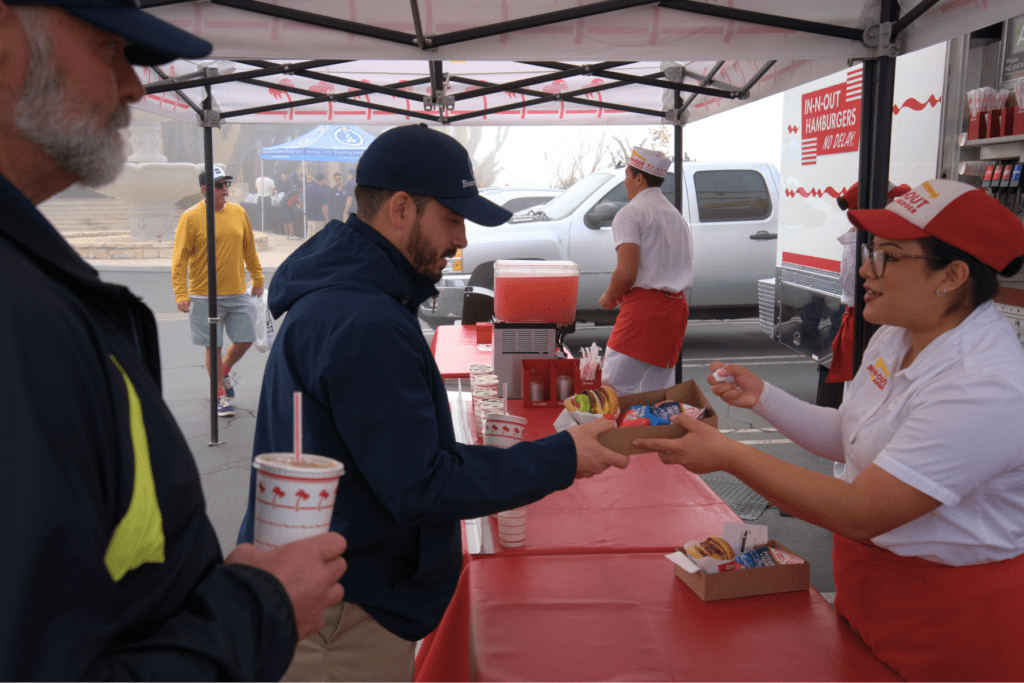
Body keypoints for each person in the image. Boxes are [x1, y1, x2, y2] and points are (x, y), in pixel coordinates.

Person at [0, 2, 347, 679]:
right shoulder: (19, 313)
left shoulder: (33, 286)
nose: (136, 86)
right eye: (110, 51)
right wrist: (262, 606)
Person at [237, 124, 630, 682]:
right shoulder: (364, 320)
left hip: (327, 583)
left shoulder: (354, 298)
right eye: (452, 218)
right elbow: (420, 484)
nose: (462, 239)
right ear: (401, 208)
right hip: (340, 615)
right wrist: (562, 456)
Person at [634, 179, 1024, 681]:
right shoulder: (896, 334)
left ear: (951, 275)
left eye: (887, 256)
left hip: (952, 619)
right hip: (870, 589)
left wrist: (729, 455)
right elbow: (850, 434)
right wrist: (765, 399)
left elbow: (866, 510)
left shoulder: (986, 383)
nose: (865, 268)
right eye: (870, 251)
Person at [172, 166, 264, 417]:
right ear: (204, 190)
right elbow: (180, 259)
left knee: (245, 339)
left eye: (226, 184)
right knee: (213, 346)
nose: (225, 189)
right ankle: (220, 396)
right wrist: (181, 293)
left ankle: (222, 372)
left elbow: (249, 248)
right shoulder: (191, 217)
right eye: (219, 185)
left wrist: (257, 277)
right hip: (204, 296)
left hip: (237, 293)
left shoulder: (238, 212)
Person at [599, 146, 692, 393]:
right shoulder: (676, 217)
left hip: (644, 313)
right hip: (674, 312)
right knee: (657, 398)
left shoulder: (630, 214)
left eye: (627, 176)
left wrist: (609, 296)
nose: (625, 182)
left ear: (639, 178)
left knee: (612, 393)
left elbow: (627, 272)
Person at [305, 171, 329, 236]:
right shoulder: (321, 191)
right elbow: (324, 207)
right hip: (318, 219)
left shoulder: (307, 188)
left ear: (315, 179)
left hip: (309, 218)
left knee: (309, 238)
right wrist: (326, 219)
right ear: (323, 180)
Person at [282, 172, 302, 239]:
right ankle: (291, 235)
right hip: (287, 203)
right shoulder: (293, 185)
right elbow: (296, 197)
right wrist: (301, 205)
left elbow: (297, 196)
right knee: (288, 219)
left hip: (285, 202)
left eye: (292, 179)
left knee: (287, 219)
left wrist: (300, 204)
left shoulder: (299, 185)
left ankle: (289, 234)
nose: (291, 180)